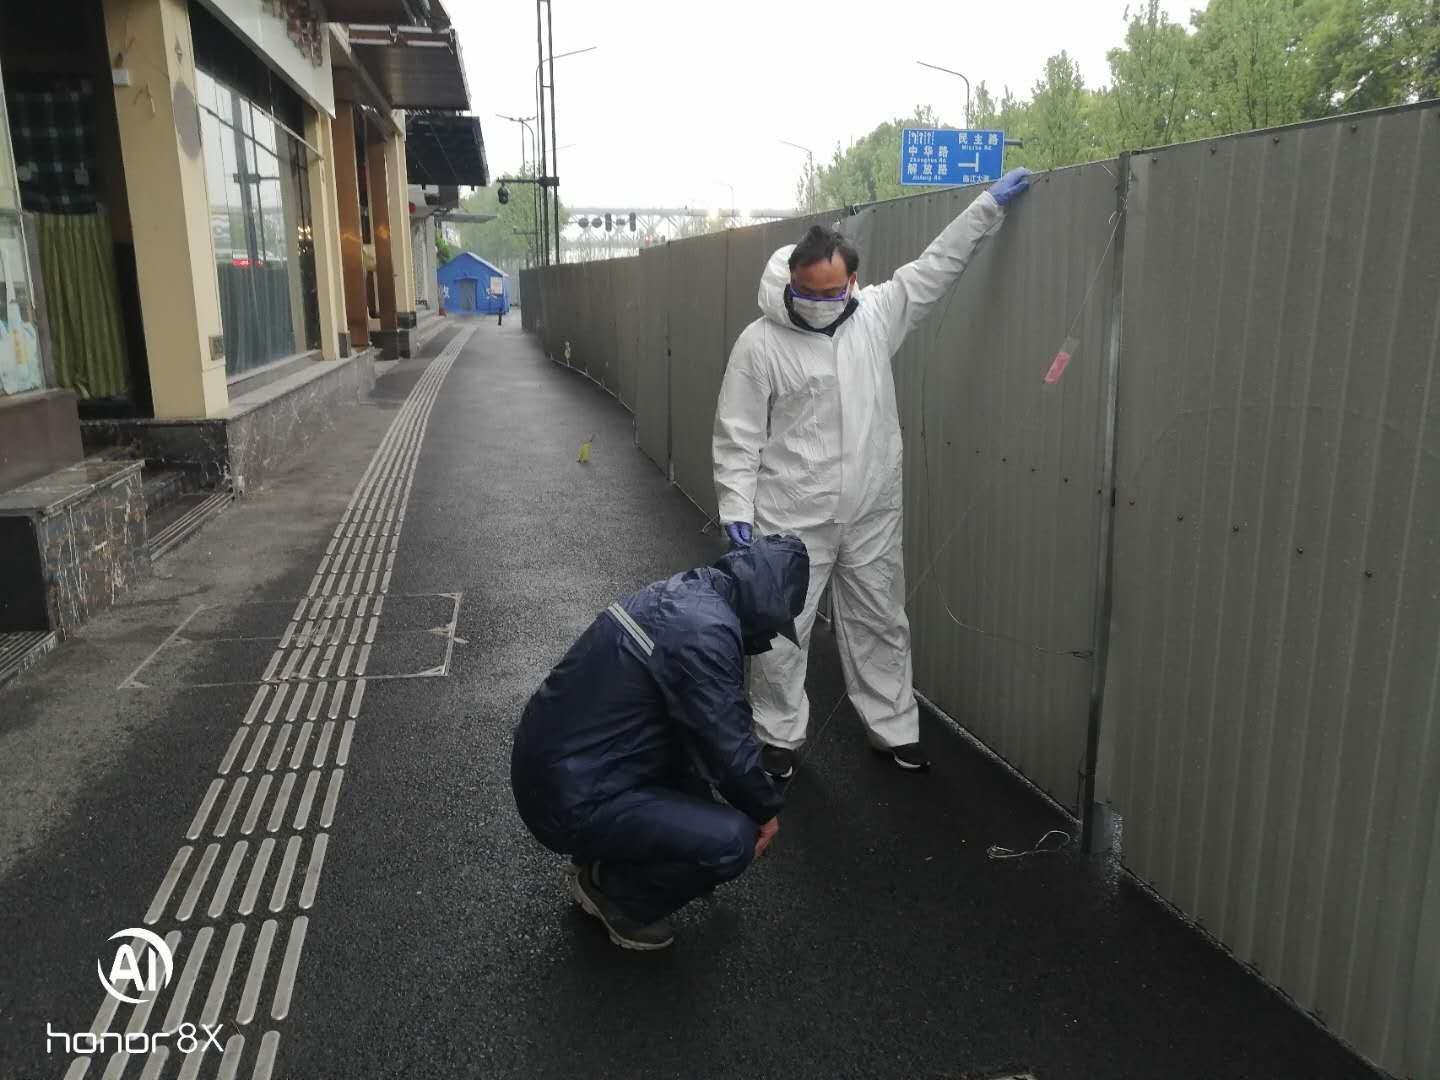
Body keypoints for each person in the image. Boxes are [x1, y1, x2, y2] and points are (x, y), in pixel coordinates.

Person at [711, 168, 1033, 781]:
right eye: (814, 293)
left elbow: (937, 267)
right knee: (781, 633)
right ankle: (777, 736)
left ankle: (894, 728)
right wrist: (736, 511)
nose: (826, 302)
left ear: (852, 281)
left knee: (880, 621)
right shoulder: (760, 344)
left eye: (837, 290)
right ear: (790, 284)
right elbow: (738, 434)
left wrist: (986, 208)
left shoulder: (875, 315)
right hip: (790, 517)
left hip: (871, 509)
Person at [510, 535, 809, 950]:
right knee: (733, 840)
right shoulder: (707, 632)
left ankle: (612, 853)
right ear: (768, 604)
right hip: (568, 799)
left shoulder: (687, 593)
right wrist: (766, 809)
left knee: (696, 787)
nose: (771, 636)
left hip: (556, 769)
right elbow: (729, 747)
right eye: (776, 622)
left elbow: (700, 738)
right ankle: (612, 892)